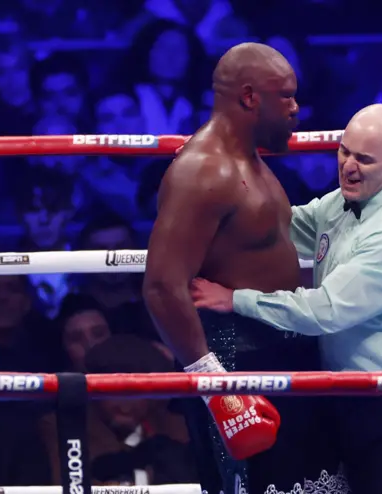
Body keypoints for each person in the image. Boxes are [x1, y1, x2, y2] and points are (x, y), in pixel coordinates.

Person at [191, 103, 382, 494]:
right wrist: (221, 176)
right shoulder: (345, 202)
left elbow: (323, 311)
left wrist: (236, 300)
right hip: (347, 397)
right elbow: (285, 225)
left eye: (364, 159)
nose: (348, 165)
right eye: (344, 151)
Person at [143, 42, 334, 494]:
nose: (295, 108)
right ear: (249, 97)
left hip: (281, 348)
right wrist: (216, 386)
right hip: (234, 358)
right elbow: (161, 287)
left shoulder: (252, 161)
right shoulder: (205, 171)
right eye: (285, 96)